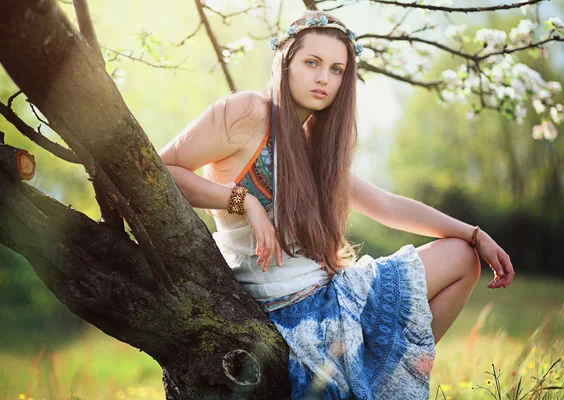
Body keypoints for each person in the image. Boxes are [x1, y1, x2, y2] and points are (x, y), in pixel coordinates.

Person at [159, 10, 515, 400]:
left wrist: (475, 234)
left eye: (336, 69)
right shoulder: (246, 112)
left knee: (463, 258)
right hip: (282, 311)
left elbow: (385, 204)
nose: (323, 78)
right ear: (286, 62)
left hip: (330, 292)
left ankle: (395, 381)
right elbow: (162, 169)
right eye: (312, 63)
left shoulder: (316, 146)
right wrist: (243, 201)